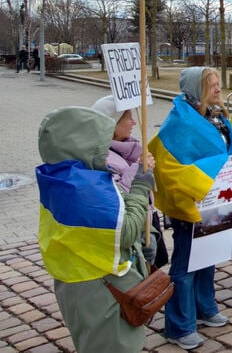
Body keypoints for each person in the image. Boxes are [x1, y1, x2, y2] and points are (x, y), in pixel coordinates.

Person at [36, 107, 154, 353]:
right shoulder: (86, 188)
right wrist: (141, 186)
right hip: (101, 292)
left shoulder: (61, 176)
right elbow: (126, 231)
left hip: (77, 285)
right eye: (99, 140)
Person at [151, 67, 232, 350]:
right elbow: (168, 168)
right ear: (196, 90)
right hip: (190, 204)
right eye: (211, 85)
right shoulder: (179, 122)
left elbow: (222, 151)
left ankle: (204, 307)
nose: (218, 89)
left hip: (215, 201)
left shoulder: (216, 116)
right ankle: (179, 325)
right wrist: (213, 171)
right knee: (185, 266)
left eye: (217, 83)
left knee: (207, 257)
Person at [90, 96, 168, 268]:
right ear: (112, 125)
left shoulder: (127, 149)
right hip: (133, 230)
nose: (134, 123)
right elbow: (120, 197)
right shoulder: (103, 159)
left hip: (147, 221)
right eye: (128, 118)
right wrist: (138, 169)